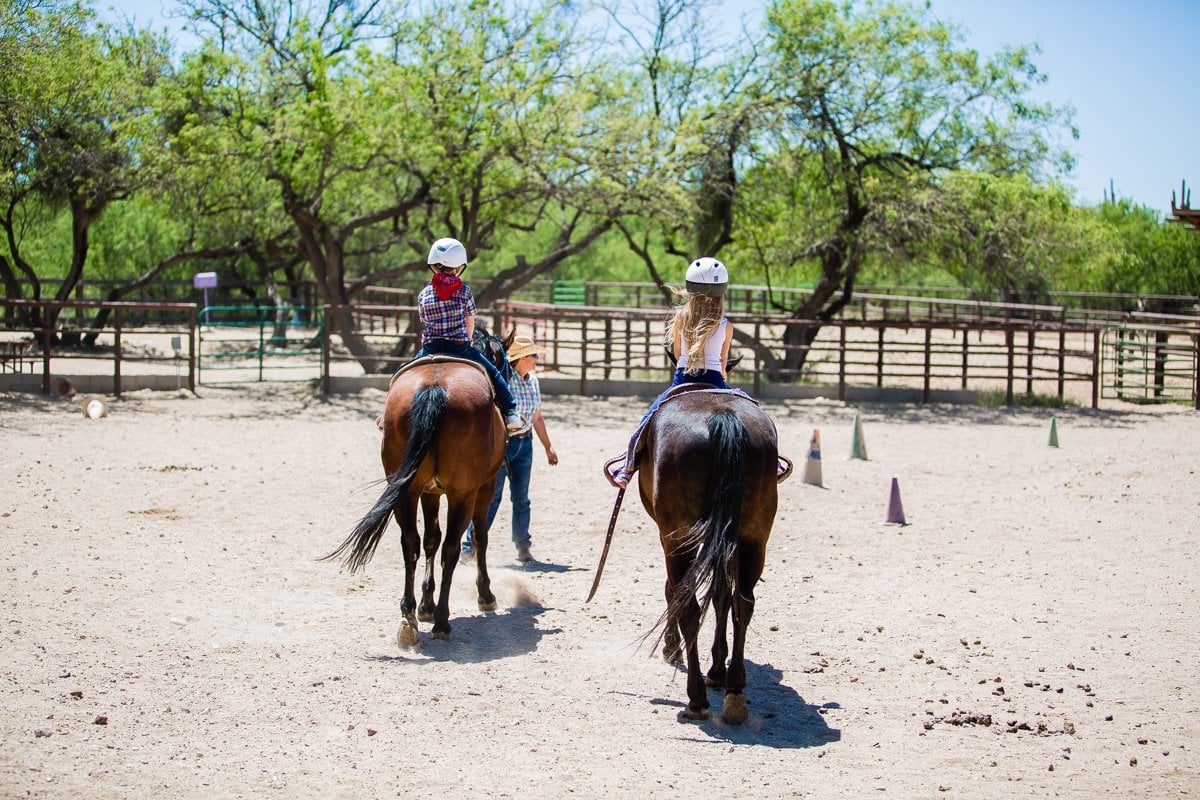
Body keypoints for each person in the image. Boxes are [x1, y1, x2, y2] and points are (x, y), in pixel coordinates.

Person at [609, 256, 733, 488]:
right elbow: (723, 360)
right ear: (721, 292)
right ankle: (772, 460)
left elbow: (677, 354)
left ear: (690, 290)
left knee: (648, 418)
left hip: (682, 380)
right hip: (716, 382)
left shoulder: (680, 318)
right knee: (750, 408)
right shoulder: (726, 325)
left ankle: (628, 466)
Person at [463, 335, 559, 563]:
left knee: (521, 499)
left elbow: (537, 417)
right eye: (533, 355)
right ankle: (470, 546)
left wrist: (548, 446)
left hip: (525, 444)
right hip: (503, 444)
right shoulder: (504, 380)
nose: (536, 359)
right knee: (491, 497)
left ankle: (523, 546)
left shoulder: (533, 382)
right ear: (521, 358)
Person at [413, 237, 524, 432]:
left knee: (403, 373)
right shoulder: (464, 291)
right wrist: (468, 340)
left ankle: (386, 411)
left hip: (430, 348)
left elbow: (424, 319)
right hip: (459, 347)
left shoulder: (424, 294)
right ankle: (510, 412)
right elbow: (469, 321)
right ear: (458, 267)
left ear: (433, 266)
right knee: (494, 373)